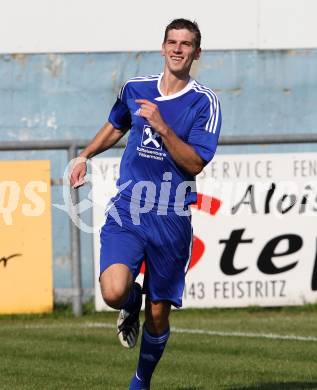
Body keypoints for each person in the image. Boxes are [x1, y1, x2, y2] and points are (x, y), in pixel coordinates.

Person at [70, 18, 221, 390]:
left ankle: (141, 382)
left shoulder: (204, 103)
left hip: (170, 217)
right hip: (130, 209)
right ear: (163, 46)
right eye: (172, 41)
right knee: (113, 291)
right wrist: (85, 155)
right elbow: (117, 124)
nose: (178, 49)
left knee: (158, 313)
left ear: (196, 52)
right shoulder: (135, 87)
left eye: (186, 44)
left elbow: (195, 163)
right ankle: (128, 301)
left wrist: (164, 127)